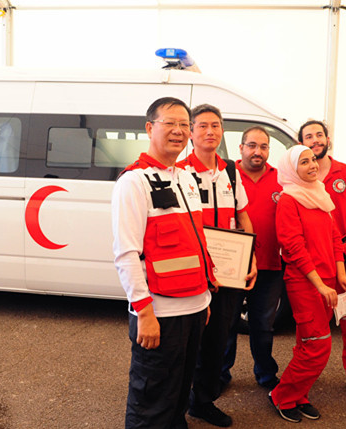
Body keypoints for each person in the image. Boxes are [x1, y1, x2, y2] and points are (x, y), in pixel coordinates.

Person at [111, 97, 218, 429]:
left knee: (178, 395)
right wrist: (144, 312)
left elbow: (196, 241)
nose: (178, 131)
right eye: (169, 123)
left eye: (184, 124)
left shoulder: (185, 177)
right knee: (151, 401)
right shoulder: (133, 182)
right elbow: (126, 253)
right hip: (159, 312)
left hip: (195, 306)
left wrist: (204, 295)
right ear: (149, 128)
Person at [177, 104, 257, 428]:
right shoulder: (179, 172)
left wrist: (250, 257)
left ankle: (203, 402)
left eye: (216, 126)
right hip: (194, 274)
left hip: (227, 275)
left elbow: (243, 216)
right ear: (190, 132)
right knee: (186, 343)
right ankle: (176, 407)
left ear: (222, 131)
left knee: (217, 342)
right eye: (203, 126)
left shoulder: (231, 172)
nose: (210, 131)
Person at [269, 145, 346, 423]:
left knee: (307, 343)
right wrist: (319, 285)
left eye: (313, 160)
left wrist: (341, 276)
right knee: (318, 346)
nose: (312, 165)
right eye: (304, 162)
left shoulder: (320, 194)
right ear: (291, 169)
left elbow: (335, 239)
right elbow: (293, 247)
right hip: (305, 283)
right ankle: (282, 395)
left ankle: (299, 394)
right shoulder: (289, 199)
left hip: (328, 281)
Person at [298, 119, 346, 399]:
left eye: (319, 135)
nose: (315, 140)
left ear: (328, 139)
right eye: (309, 136)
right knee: (308, 322)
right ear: (300, 143)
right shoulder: (298, 175)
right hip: (313, 260)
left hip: (344, 259)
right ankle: (304, 374)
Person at [221, 126, 284, 390]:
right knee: (227, 324)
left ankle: (266, 374)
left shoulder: (282, 178)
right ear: (241, 148)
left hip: (270, 264)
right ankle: (220, 374)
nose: (258, 151)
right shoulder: (226, 175)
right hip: (234, 265)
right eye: (252, 145)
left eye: (264, 146)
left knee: (263, 326)